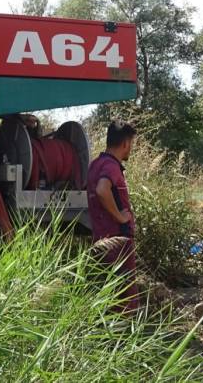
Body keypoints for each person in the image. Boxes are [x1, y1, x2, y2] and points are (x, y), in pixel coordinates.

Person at [87, 120, 138, 310]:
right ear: (125, 143)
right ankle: (127, 336)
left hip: (100, 239)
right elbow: (102, 190)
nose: (130, 149)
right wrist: (120, 216)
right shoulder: (112, 167)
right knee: (125, 297)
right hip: (118, 240)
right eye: (131, 144)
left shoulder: (95, 164)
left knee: (107, 293)